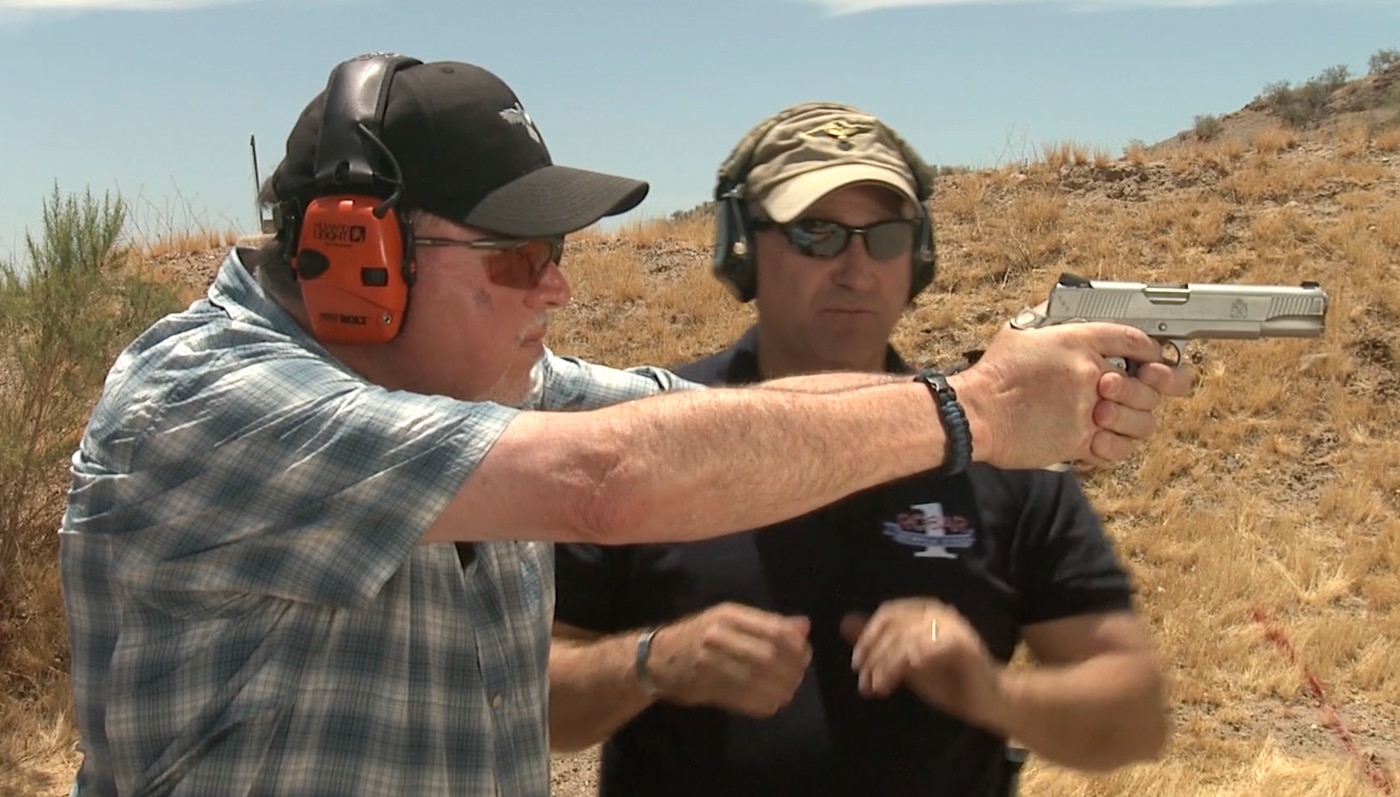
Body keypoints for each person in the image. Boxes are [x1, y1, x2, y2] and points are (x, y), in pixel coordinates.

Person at [58, 52, 1188, 797]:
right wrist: (977, 409)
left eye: (554, 251)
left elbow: (705, 419)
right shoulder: (200, 404)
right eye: (517, 256)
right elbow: (606, 480)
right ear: (360, 255)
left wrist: (983, 394)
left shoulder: (478, 386)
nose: (556, 288)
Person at [549, 101, 1173, 797]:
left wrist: (992, 692)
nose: (856, 270)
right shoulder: (651, 432)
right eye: (816, 234)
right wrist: (651, 662)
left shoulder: (1007, 448)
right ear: (743, 245)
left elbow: (1134, 716)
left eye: (885, 237)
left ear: (919, 254)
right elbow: (531, 695)